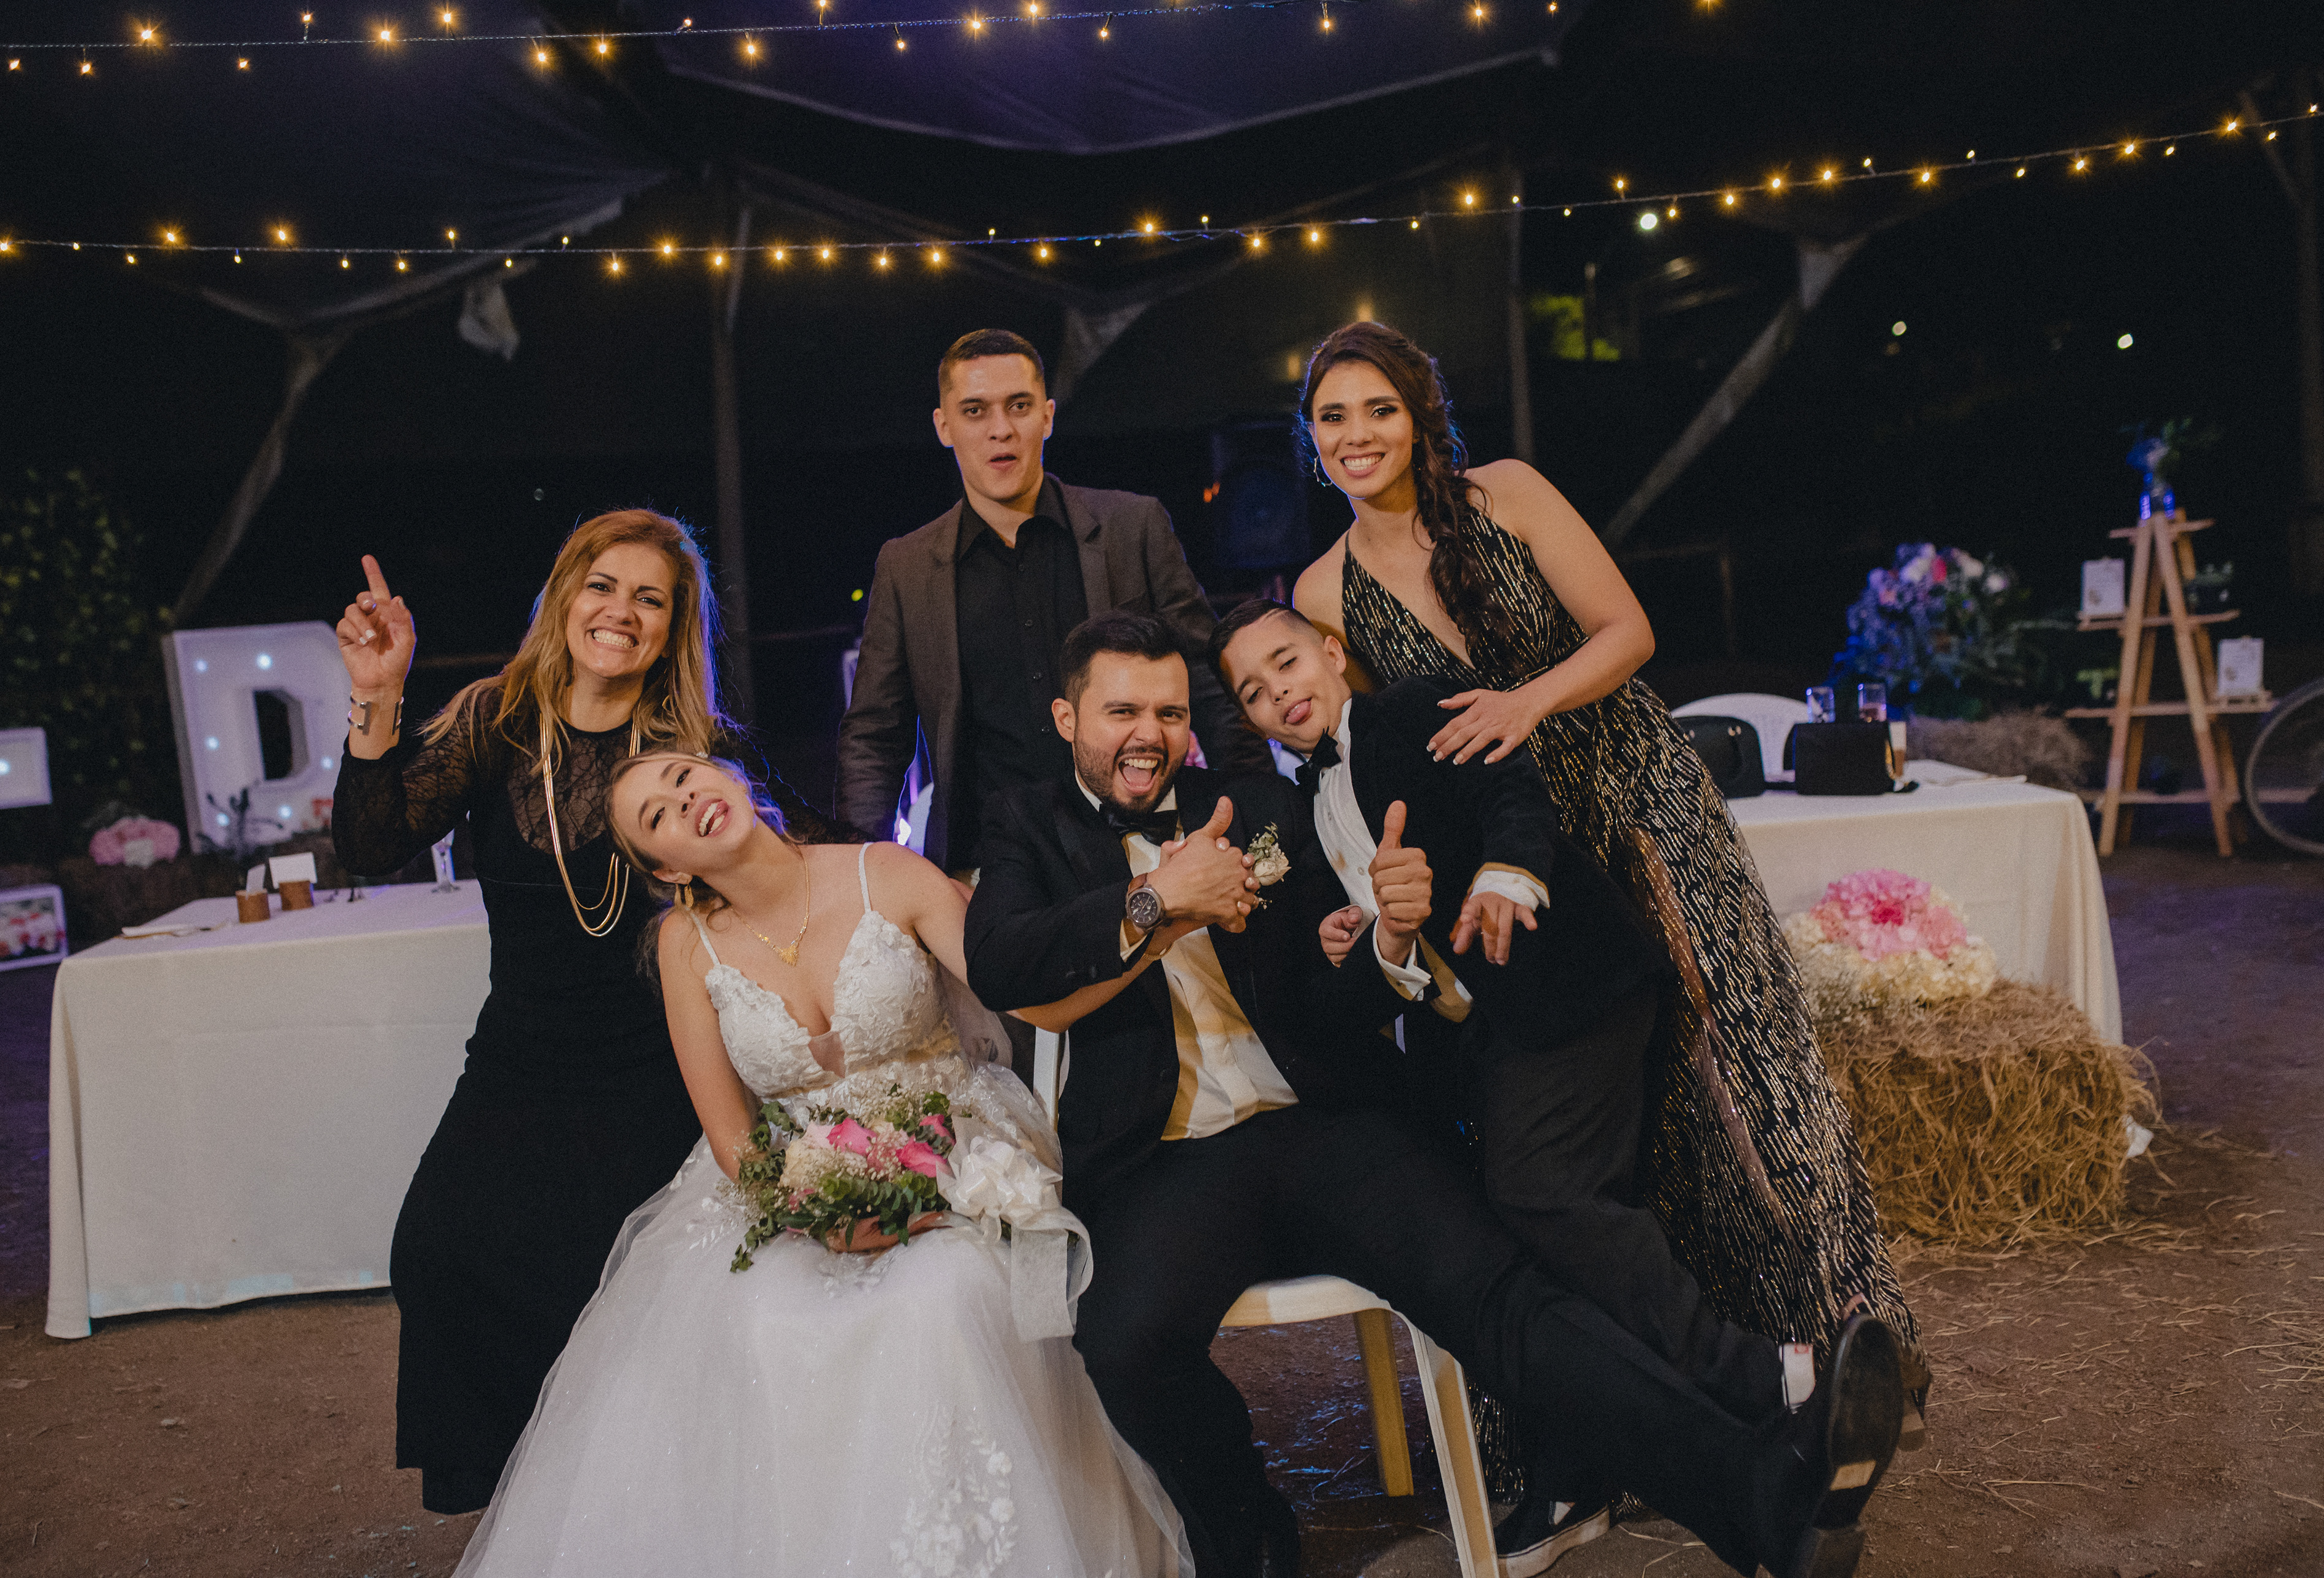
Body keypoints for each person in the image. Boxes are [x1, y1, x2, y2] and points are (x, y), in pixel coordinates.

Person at [962, 610, 1910, 1578]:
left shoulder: (1252, 804)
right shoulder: (1024, 822)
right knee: (1126, 1341)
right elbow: (999, 960)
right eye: (1122, 711)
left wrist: (1388, 939)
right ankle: (1248, 1534)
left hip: (1324, 1127)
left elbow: (1325, 1006)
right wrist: (1158, 900)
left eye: (1169, 712)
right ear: (1067, 717)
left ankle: (1767, 1494)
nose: (1149, 733)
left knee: (1505, 1297)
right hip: (1169, 1161)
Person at [1286, 321, 1926, 1420]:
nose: (1357, 434)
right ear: (1310, 437)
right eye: (1332, 416)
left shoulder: (1508, 494)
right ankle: (1739, 1381)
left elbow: (1627, 630)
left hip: (1638, 802)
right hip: (1525, 866)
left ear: (1420, 414)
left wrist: (1524, 702)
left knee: (1747, 1066)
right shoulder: (1321, 593)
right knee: (1643, 1121)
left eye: (1378, 409)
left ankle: (1859, 1341)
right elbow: (1373, 763)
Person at [446, 753, 1187, 1576]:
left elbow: (1034, 996)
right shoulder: (683, 946)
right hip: (793, 1176)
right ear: (667, 868)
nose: (686, 800)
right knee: (766, 1316)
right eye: (657, 815)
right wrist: (815, 1213)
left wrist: (1157, 926)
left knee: (939, 1300)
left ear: (731, 776)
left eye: (686, 777)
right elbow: (732, 1137)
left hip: (956, 1144)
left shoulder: (889, 872)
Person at [1212, 597, 1836, 1568]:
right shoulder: (1302, 806)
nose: (1278, 692)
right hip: (1486, 1038)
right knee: (1519, 1230)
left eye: (1286, 662)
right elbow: (1375, 949)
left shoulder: (1409, 710)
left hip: (1566, 982)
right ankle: (1594, 1456)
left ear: (1331, 652)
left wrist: (1508, 871)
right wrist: (1364, 937)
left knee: (1540, 1189)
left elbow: (1511, 790)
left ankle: (1770, 1379)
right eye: (1253, 690)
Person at [330, 511, 835, 1513]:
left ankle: (629, 1497)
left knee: (614, 1279)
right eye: (604, 586)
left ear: (673, 628)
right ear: (566, 597)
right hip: (519, 1060)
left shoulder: (699, 748)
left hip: (660, 1067)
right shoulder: (494, 719)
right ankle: (532, 1503)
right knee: (436, 1248)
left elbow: (807, 861)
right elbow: (373, 842)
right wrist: (378, 694)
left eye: (651, 598)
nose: (621, 612)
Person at [837, 327, 1270, 879]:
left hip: (1144, 850)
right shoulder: (908, 567)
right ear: (944, 427)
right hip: (987, 869)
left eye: (1018, 406)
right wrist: (857, 875)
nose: (1000, 429)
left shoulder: (1132, 528)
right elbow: (875, 738)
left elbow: (1211, 687)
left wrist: (1266, 818)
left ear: (1047, 416)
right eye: (975, 411)